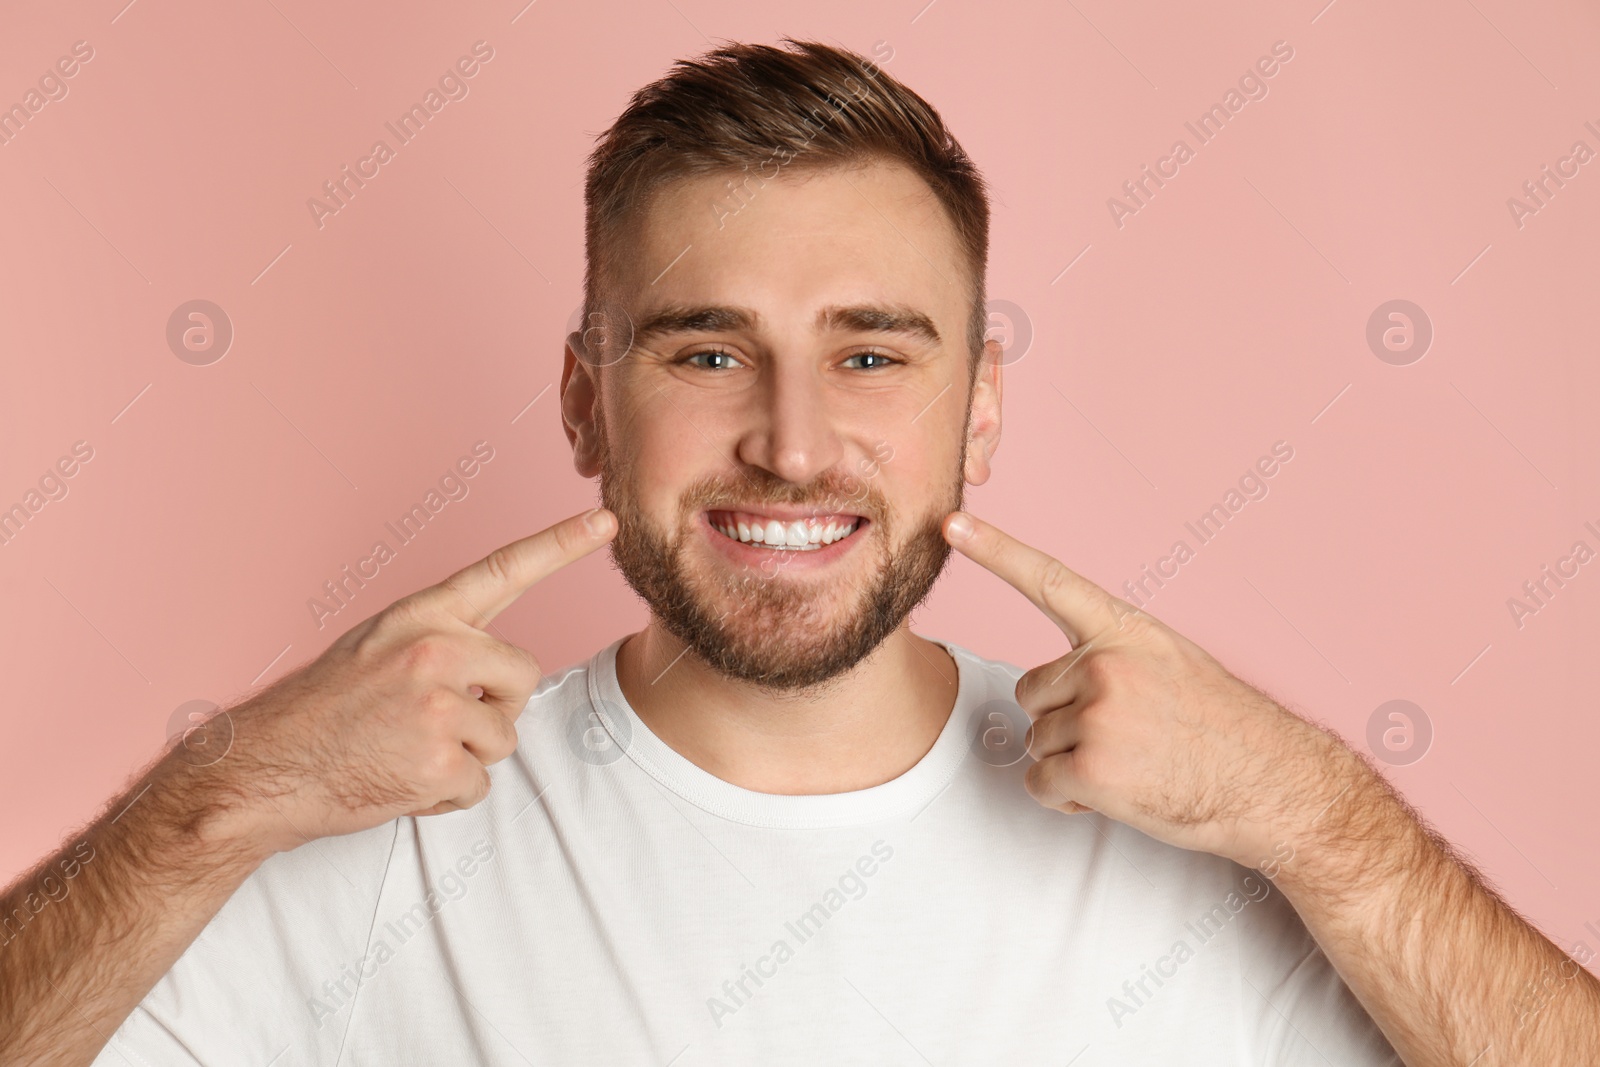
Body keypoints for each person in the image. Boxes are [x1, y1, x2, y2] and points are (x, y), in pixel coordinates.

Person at [3, 37, 1595, 1066]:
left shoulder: (1205, 845)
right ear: (584, 404)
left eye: (874, 355)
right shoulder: (377, 839)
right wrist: (222, 800)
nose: (791, 439)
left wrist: (1313, 814)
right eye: (706, 354)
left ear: (977, 417)